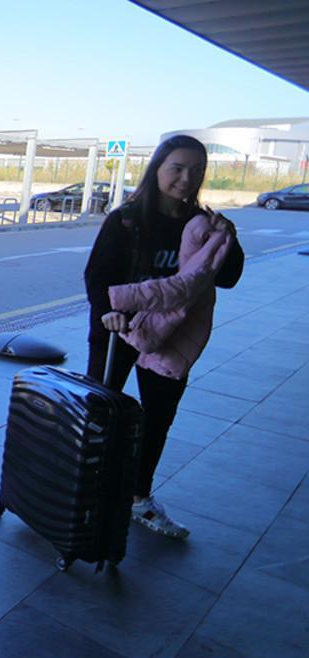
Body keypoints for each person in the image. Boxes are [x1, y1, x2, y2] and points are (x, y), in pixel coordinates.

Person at [84, 135, 243, 539]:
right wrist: (110, 313)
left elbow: (228, 279)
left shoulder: (203, 225)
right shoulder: (126, 219)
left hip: (171, 338)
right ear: (157, 168)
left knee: (157, 419)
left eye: (196, 170)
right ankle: (84, 489)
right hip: (119, 333)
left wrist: (230, 241)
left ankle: (138, 497)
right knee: (101, 414)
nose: (186, 178)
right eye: (177, 168)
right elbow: (97, 277)